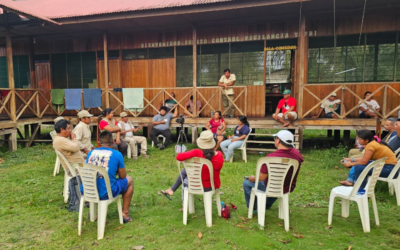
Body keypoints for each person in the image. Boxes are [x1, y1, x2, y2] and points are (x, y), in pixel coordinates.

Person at [243, 130, 303, 213]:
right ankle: (266, 204)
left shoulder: (270, 158)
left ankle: (255, 207)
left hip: (272, 186)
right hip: (287, 186)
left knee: (246, 183)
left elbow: (261, 178)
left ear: (278, 140)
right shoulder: (297, 154)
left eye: (275, 138)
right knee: (275, 183)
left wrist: (252, 178)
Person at [160, 130, 224, 209]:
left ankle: (184, 203)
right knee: (186, 171)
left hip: (196, 184)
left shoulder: (197, 152)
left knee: (186, 177)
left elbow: (179, 157)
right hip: (213, 185)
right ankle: (172, 189)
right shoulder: (220, 155)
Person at [86, 131, 134, 223]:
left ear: (99, 143)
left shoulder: (91, 153)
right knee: (130, 180)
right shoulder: (117, 154)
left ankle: (93, 212)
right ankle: (125, 213)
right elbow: (123, 176)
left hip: (89, 189)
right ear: (113, 142)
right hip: (106, 192)